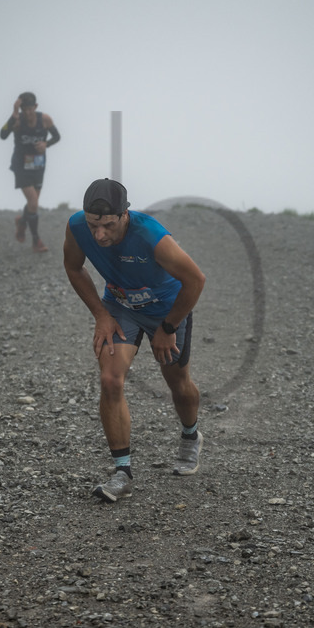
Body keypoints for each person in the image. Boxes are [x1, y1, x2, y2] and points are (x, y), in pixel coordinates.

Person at [63, 178, 207, 503]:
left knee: (178, 383)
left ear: (124, 215)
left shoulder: (151, 236)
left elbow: (196, 280)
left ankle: (190, 435)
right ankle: (122, 473)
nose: (99, 235)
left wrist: (168, 327)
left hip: (166, 310)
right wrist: (101, 315)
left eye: (108, 226)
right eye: (93, 225)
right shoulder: (76, 226)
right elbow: (73, 267)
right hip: (120, 307)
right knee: (110, 379)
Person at [0, 91, 60, 252]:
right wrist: (13, 114)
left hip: (38, 166)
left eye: (30, 109)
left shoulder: (45, 119)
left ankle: (22, 222)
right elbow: (2, 134)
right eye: (23, 109)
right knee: (33, 203)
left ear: (35, 106)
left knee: (33, 204)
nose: (27, 113)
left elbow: (57, 137)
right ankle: (36, 241)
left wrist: (46, 144)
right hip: (21, 166)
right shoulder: (17, 120)